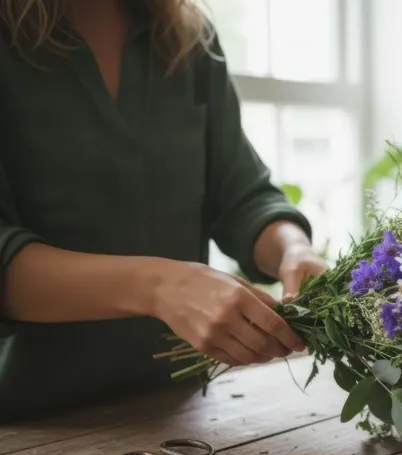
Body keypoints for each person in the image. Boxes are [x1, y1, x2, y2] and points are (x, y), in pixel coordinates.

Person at [0, 0, 329, 421]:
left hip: (173, 414)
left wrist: (292, 249)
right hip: (22, 429)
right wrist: (161, 287)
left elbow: (242, 195)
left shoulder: (190, 41)